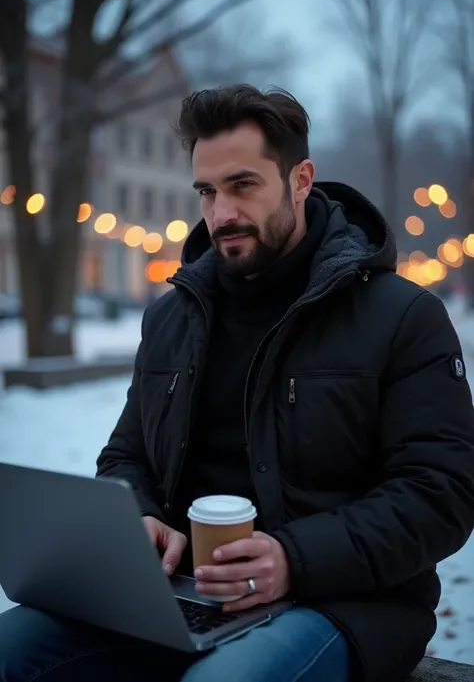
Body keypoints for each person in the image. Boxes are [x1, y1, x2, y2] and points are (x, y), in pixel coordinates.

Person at [1, 85, 474, 682]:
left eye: (243, 185)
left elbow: (441, 493)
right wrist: (139, 518)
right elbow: (127, 455)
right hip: (180, 596)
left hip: (345, 604)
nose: (221, 212)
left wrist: (292, 560)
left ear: (301, 180)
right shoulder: (173, 316)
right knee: (10, 647)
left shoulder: (403, 317)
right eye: (207, 190)